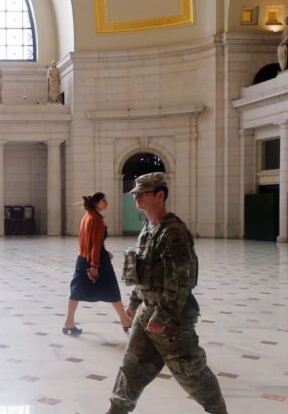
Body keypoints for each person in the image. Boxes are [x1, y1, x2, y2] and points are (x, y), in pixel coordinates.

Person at [107, 173, 228, 414]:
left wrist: (162, 316)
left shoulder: (173, 232)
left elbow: (184, 280)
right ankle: (115, 411)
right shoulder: (148, 228)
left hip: (172, 318)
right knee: (131, 367)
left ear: (160, 196)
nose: (136, 198)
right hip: (146, 312)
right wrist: (134, 301)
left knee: (192, 372)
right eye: (135, 194)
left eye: (142, 194)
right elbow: (145, 271)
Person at [63, 192, 132, 335]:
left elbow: (90, 242)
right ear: (96, 203)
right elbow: (94, 244)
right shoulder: (96, 219)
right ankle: (125, 320)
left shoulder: (87, 216)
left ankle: (68, 322)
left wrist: (103, 251)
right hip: (96, 260)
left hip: (82, 258)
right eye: (103, 200)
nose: (106, 202)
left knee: (76, 290)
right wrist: (95, 265)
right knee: (111, 288)